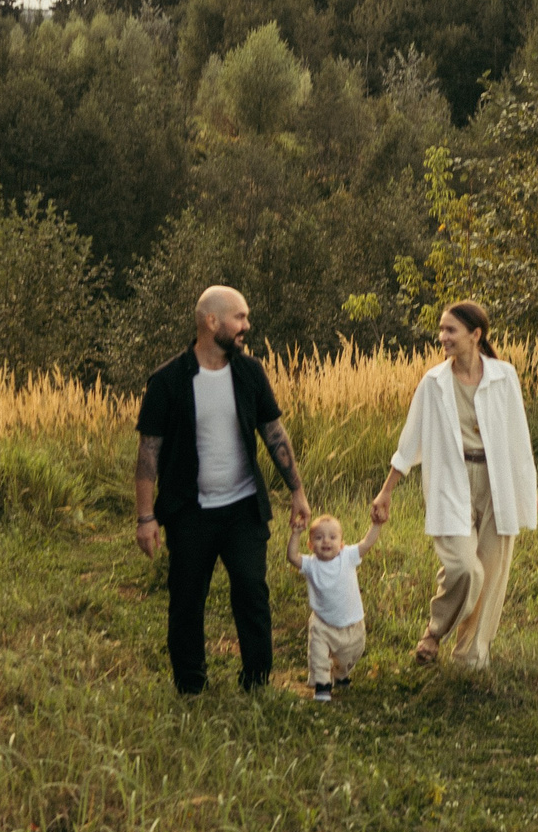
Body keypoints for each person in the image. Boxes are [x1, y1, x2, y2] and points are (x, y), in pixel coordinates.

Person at [133, 285, 312, 695]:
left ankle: (256, 681)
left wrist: (296, 492)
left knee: (252, 591)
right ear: (211, 322)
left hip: (243, 509)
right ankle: (190, 685)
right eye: (240, 318)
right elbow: (148, 453)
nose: (247, 326)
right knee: (186, 600)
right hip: (189, 512)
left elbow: (274, 434)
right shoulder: (167, 381)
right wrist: (146, 518)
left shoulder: (250, 372)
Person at [371, 300, 538, 672]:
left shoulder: (504, 376)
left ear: (475, 335)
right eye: (442, 330)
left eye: (451, 330)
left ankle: (470, 658)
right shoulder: (434, 383)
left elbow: (518, 437)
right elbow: (409, 440)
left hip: (499, 485)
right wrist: (386, 491)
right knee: (466, 569)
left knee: (491, 574)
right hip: (452, 480)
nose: (442, 337)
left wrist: (527, 489)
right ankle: (435, 629)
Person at [286, 511, 381, 701]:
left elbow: (367, 543)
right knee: (319, 655)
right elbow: (292, 557)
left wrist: (376, 524)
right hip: (322, 623)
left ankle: (340, 674)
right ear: (311, 545)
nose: (326, 542)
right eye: (319, 538)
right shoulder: (311, 564)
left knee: (352, 653)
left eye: (332, 537)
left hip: (351, 623)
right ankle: (322, 685)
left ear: (342, 543)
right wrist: (296, 533)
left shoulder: (348, 557)